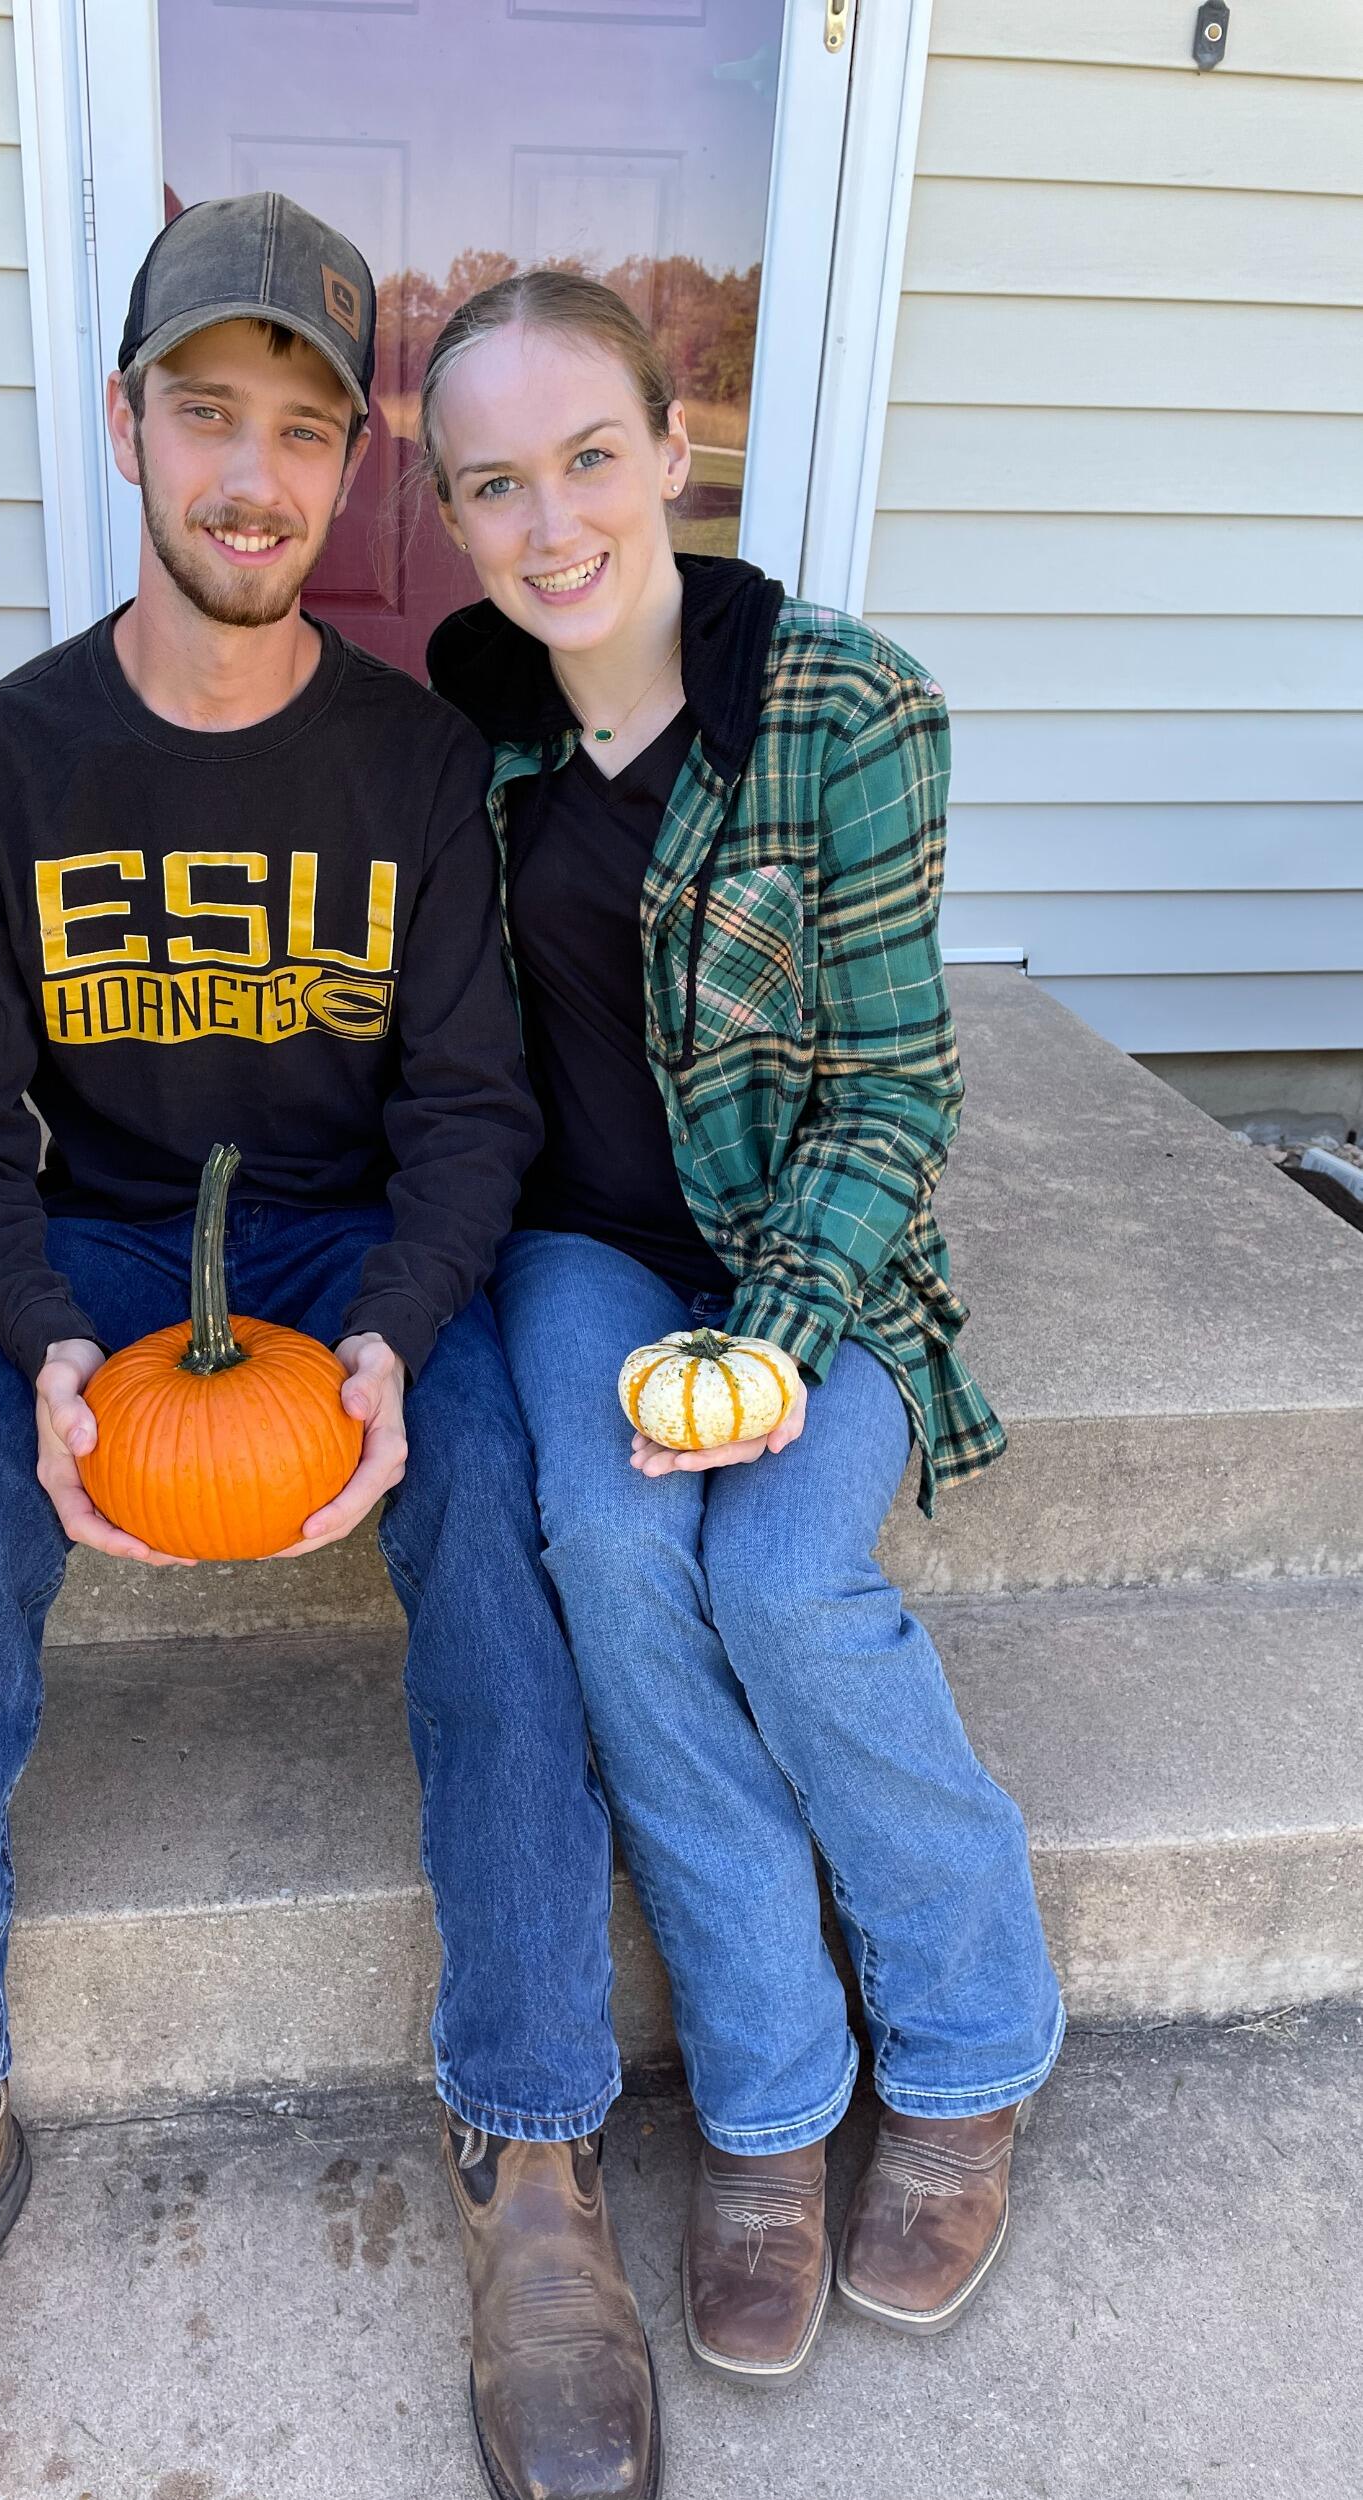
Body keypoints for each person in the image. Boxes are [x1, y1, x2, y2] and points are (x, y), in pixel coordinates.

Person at [0, 203, 658, 2500]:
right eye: (206, 412)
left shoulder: (413, 770)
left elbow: (469, 1110)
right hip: (108, 1248)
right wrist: (35, 1340)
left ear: (349, 474)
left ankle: (532, 2146)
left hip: (347, 1248)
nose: (251, 473)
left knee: (498, 1502)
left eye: (301, 431)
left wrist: (398, 1335)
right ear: (124, 424)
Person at [420, 270, 1066, 2385]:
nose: (551, 523)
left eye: (590, 457)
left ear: (674, 451)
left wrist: (778, 1334)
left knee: (784, 1579)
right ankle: (770, 2103)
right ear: (450, 512)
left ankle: (966, 2046)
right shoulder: (463, 736)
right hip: (585, 1252)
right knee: (614, 1552)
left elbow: (893, 1087)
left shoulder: (843, 706)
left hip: (820, 1251)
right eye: (493, 483)